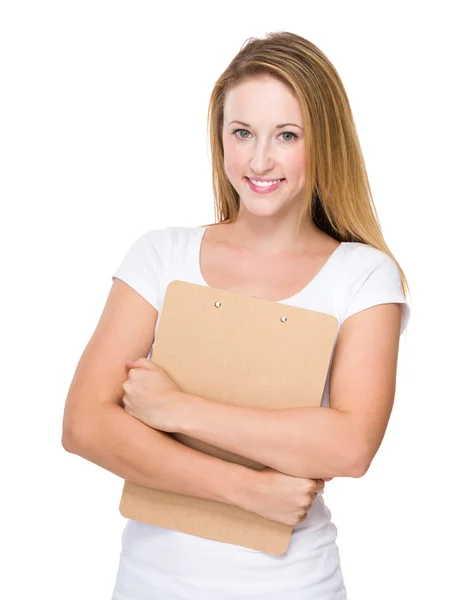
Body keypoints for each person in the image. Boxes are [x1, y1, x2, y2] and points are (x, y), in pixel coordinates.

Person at [62, 31, 411, 600]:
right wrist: (245, 489)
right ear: (220, 137)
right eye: (242, 132)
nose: (259, 160)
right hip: (153, 585)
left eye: (287, 135)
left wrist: (176, 408)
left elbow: (350, 445)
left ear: (323, 142)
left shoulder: (364, 276)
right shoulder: (161, 255)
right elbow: (83, 424)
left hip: (294, 585)